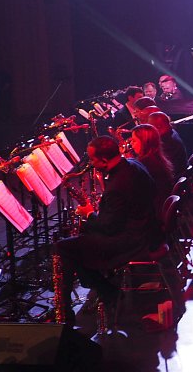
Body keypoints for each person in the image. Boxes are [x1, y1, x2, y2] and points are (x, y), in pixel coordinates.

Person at [54, 135, 158, 323]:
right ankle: (103, 290)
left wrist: (89, 213)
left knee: (63, 247)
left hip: (129, 239)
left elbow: (109, 226)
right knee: (77, 245)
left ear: (103, 160)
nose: (91, 164)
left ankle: (70, 308)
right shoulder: (133, 164)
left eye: (92, 160)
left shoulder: (118, 184)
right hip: (143, 227)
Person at [130, 124, 175, 225]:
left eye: (134, 141)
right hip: (156, 211)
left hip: (150, 219)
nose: (131, 145)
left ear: (145, 142)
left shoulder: (147, 165)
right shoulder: (156, 159)